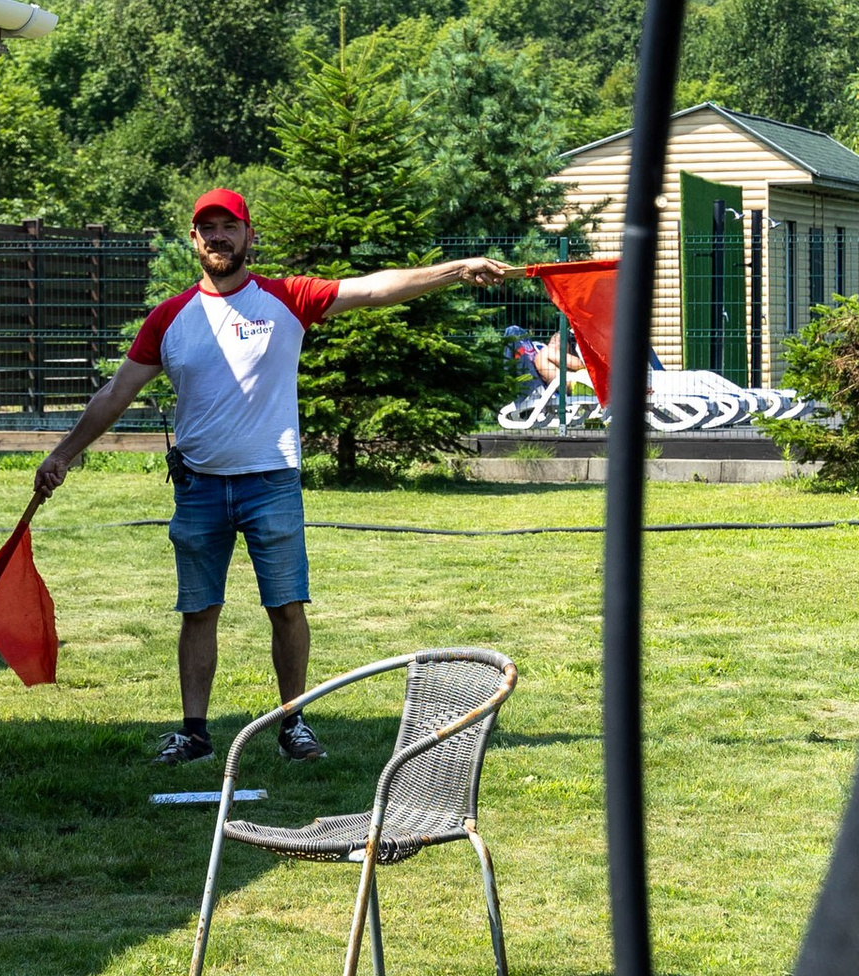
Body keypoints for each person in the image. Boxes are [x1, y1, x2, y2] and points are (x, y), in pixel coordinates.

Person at [27, 188, 515, 764]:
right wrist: (63, 454)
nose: (219, 237)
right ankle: (194, 734)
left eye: (229, 226)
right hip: (199, 487)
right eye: (208, 228)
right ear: (194, 239)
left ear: (248, 235)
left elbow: (374, 288)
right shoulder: (170, 317)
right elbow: (116, 392)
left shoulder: (287, 298)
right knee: (198, 611)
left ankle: (293, 723)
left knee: (286, 608)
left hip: (271, 484)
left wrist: (457, 269)